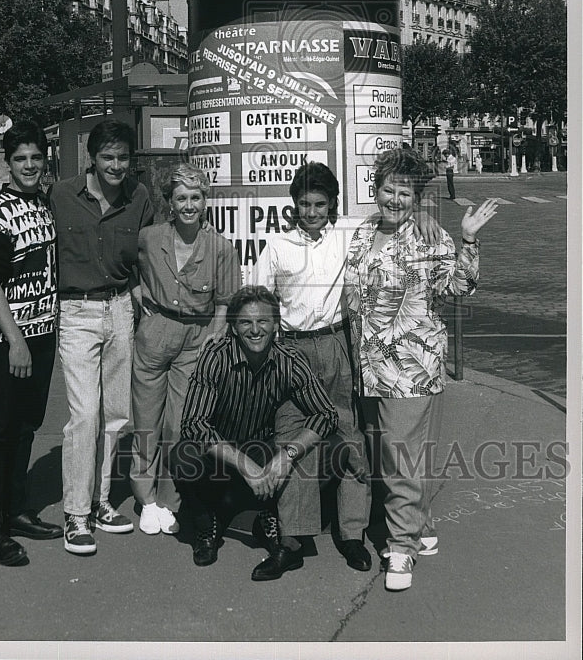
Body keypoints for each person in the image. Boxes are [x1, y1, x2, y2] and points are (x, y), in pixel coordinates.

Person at [344, 147, 498, 591]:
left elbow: (458, 286)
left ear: (417, 199)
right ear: (377, 190)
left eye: (405, 193)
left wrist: (467, 239)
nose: (395, 199)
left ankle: (401, 551)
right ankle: (422, 527)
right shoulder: (364, 230)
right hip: (369, 367)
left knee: (401, 463)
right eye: (389, 189)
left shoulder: (430, 239)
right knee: (395, 457)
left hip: (411, 368)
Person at [251, 162, 373, 571]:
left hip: (336, 344)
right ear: (294, 205)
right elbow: (255, 301)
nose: (312, 212)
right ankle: (292, 541)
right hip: (291, 351)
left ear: (333, 203)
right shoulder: (279, 245)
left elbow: (394, 218)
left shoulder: (350, 233)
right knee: (292, 439)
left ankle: (352, 533)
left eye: (320, 204)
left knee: (348, 434)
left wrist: (426, 218)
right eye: (304, 204)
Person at [169, 286, 338, 581]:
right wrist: (245, 466)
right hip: (221, 451)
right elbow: (194, 424)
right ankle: (206, 523)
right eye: (246, 322)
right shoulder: (215, 357)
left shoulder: (290, 359)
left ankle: (269, 513)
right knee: (183, 456)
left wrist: (287, 456)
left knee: (332, 449)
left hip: (264, 447)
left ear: (276, 325)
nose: (255, 330)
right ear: (233, 327)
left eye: (263, 321)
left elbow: (326, 414)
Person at [49, 119, 153, 556]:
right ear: (92, 157)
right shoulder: (61, 195)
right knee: (84, 415)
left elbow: (147, 256)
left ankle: (101, 502)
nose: (116, 165)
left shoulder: (140, 198)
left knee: (115, 413)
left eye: (123, 158)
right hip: (76, 311)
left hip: (121, 309)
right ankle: (75, 513)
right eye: (108, 157)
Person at [0, 119, 62, 567]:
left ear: (45, 162)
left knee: (25, 426)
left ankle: (15, 509)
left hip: (42, 333)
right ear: (8, 164)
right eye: (20, 159)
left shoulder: (42, 203)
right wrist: (15, 341)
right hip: (7, 339)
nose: (28, 165)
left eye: (35, 158)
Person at [131, 163, 241, 537]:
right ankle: (144, 498)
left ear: (206, 201)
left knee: (180, 425)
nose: (189, 205)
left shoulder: (221, 248)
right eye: (181, 198)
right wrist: (138, 299)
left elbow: (226, 300)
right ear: (170, 203)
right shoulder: (149, 237)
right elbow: (128, 268)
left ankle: (169, 499)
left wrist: (216, 334)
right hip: (156, 332)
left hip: (196, 338)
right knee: (146, 420)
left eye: (196, 197)